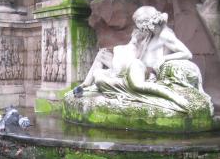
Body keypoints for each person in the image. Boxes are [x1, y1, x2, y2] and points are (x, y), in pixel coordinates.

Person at [73, 6, 209, 112]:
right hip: (136, 67)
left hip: (144, 72)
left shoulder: (165, 35)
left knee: (105, 75)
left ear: (146, 23)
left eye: (138, 23)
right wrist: (134, 42)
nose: (137, 26)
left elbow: (187, 53)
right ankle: (85, 85)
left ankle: (97, 84)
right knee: (102, 55)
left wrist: (164, 59)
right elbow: (137, 54)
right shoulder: (150, 35)